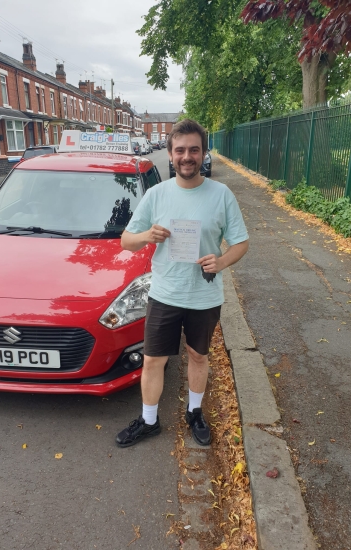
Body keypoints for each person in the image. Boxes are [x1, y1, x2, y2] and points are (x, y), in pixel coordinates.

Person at [116, 119, 249, 448]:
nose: (187, 156)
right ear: (171, 154)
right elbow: (126, 240)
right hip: (164, 294)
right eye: (180, 150)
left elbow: (240, 243)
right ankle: (149, 420)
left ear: (203, 153)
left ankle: (194, 412)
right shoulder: (157, 194)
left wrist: (220, 261)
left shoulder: (221, 195)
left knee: (198, 357)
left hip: (204, 296)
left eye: (194, 149)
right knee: (153, 360)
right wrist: (148, 235)